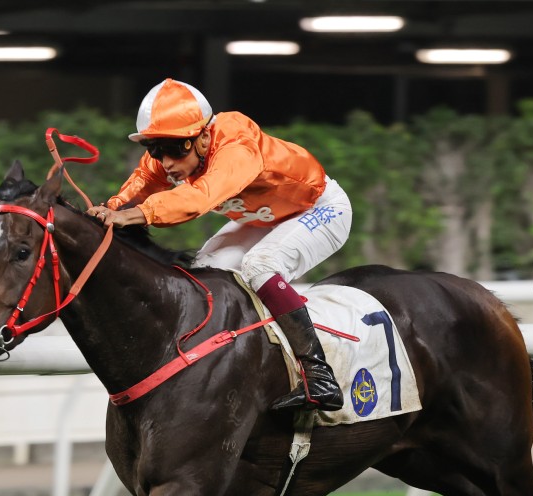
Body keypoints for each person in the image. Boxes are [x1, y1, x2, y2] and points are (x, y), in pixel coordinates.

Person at [88, 78, 351, 411]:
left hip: (321, 209)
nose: (165, 160)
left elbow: (199, 198)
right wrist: (112, 207)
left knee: (260, 265)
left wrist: (137, 215)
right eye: (155, 148)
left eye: (173, 148)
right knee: (203, 272)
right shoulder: (177, 150)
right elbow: (143, 181)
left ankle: (319, 376)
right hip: (263, 218)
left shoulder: (237, 145)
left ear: (204, 136)